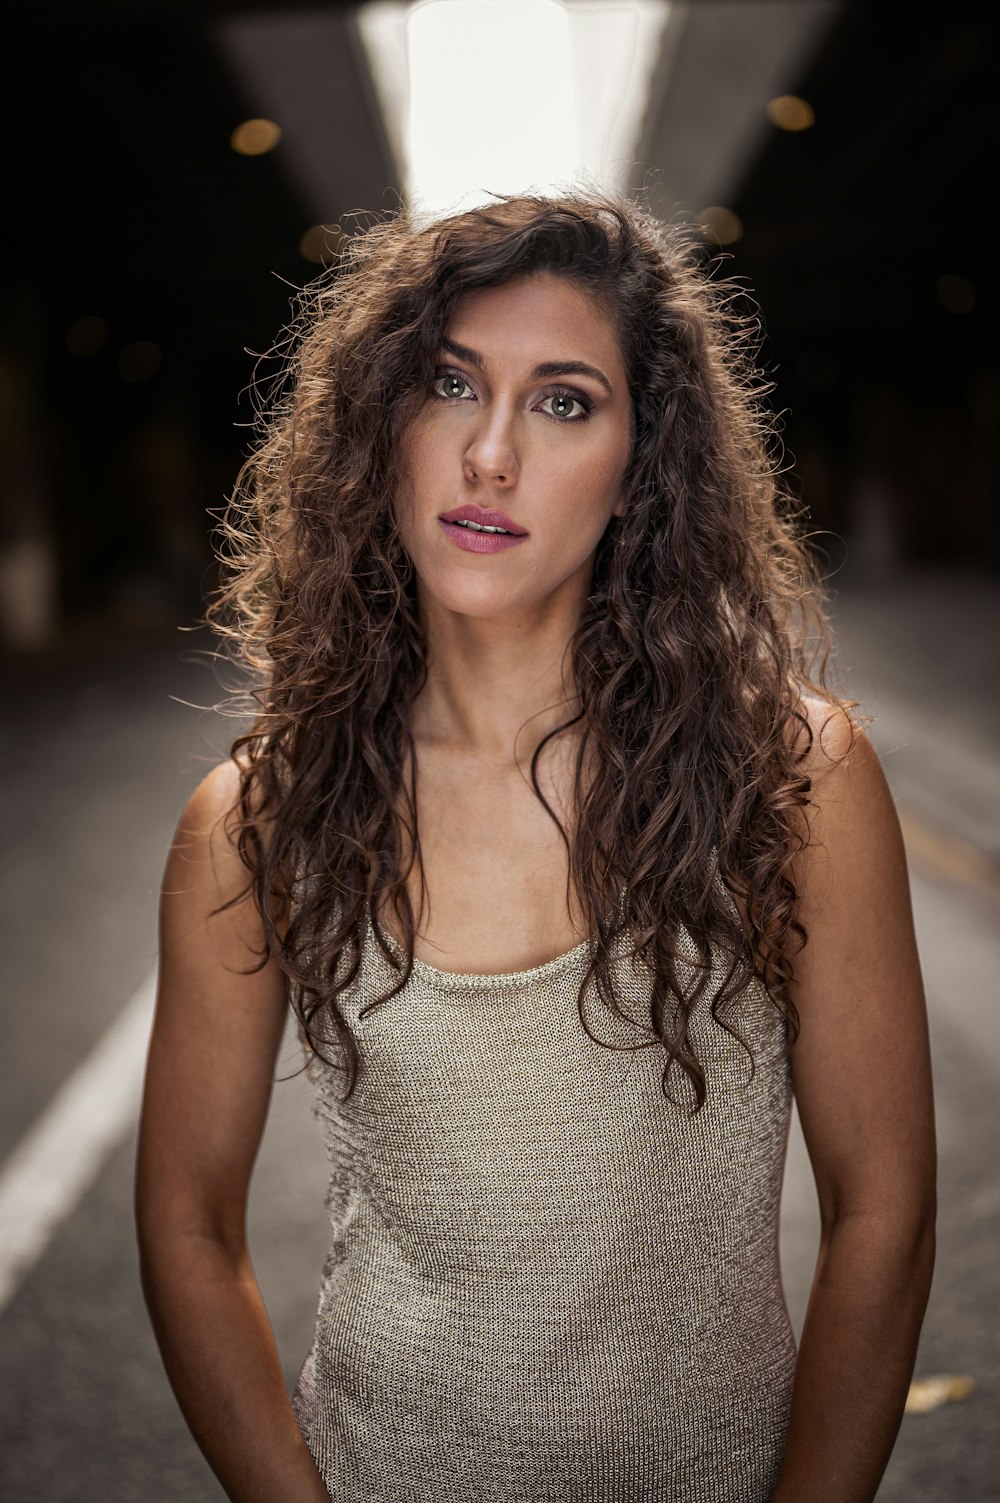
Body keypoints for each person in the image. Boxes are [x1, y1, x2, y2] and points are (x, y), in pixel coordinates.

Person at [135, 191, 936, 1503]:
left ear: (642, 463)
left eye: (564, 401)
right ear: (382, 426)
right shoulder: (259, 818)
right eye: (450, 385)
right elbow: (183, 1222)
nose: (490, 453)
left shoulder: (789, 778)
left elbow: (885, 1213)